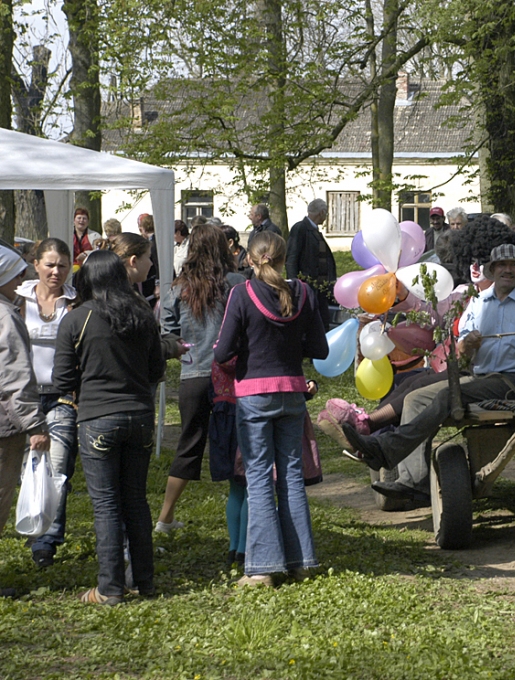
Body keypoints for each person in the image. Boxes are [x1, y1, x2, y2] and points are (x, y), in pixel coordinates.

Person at [341, 243, 515, 504]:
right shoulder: (478, 303)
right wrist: (465, 345)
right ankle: (413, 480)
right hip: (479, 376)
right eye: (502, 265)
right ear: (492, 271)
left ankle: (387, 450)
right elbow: (460, 352)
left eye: (514, 265)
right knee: (414, 398)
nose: (508, 270)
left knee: (449, 394)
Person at [214, 231, 328, 586]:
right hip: (293, 393)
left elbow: (221, 354)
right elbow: (321, 349)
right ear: (283, 260)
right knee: (291, 476)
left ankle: (263, 567)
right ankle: (300, 560)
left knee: (260, 477)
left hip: (253, 396)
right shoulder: (304, 293)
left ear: (249, 259)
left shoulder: (242, 294)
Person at [53, 249, 165, 604]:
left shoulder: (76, 319)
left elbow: (61, 379)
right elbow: (156, 370)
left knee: (106, 505)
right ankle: (144, 582)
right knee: (135, 500)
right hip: (140, 417)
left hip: (97, 418)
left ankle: (110, 588)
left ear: (86, 279)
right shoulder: (142, 314)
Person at [155, 224, 246, 534]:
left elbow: (168, 333)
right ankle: (243, 519)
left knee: (189, 446)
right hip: (231, 378)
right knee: (239, 447)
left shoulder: (178, 288)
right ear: (224, 248)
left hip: (193, 376)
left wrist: (186, 350)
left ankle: (165, 518)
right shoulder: (236, 283)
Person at [15, 239, 78, 569]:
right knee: (25, 468)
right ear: (36, 264)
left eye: (63, 266)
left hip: (62, 396)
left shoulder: (74, 301)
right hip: (22, 397)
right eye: (50, 264)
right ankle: (29, 520)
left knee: (57, 466)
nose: (56, 271)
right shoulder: (17, 298)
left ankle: (46, 541)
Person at [0, 246, 51, 596]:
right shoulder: (5, 318)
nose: (21, 281)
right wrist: (34, 425)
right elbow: (15, 377)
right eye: (15, 274)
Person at [286, 198, 336, 329]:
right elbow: (291, 258)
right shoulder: (300, 228)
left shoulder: (313, 230)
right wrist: (295, 285)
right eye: (326, 214)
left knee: (323, 323)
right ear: (322, 212)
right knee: (312, 324)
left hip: (320, 289)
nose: (326, 217)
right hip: (307, 287)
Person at [137, 213, 160, 308]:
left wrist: (158, 284)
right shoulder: (157, 240)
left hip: (153, 281)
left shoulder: (153, 244)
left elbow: (158, 264)